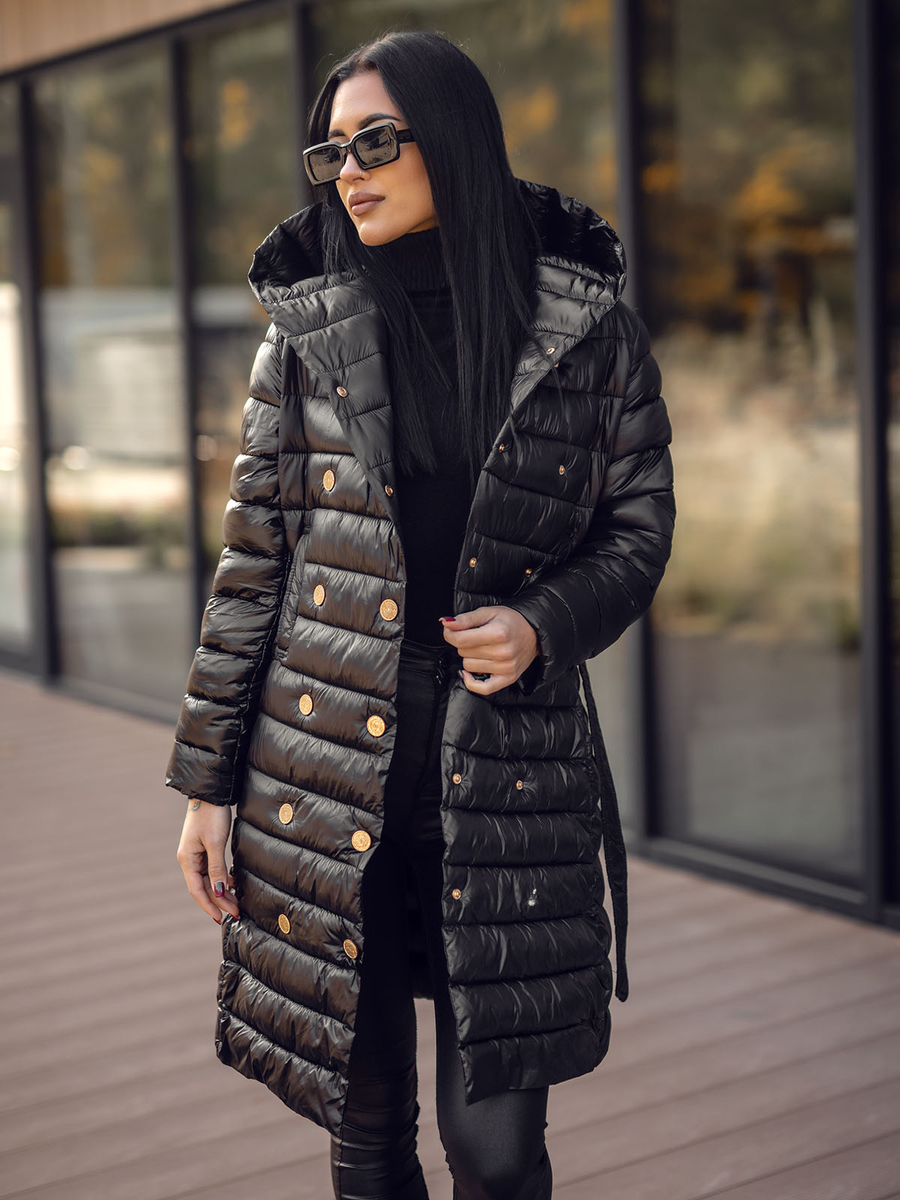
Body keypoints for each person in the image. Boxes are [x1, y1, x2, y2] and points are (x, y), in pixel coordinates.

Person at [166, 28, 675, 1200]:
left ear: (453, 138)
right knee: (368, 1132)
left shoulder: (587, 326)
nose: (349, 172)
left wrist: (543, 622)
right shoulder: (305, 333)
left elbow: (638, 531)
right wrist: (205, 786)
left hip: (508, 767)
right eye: (331, 151)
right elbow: (252, 569)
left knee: (498, 1155)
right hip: (323, 764)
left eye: (377, 142)